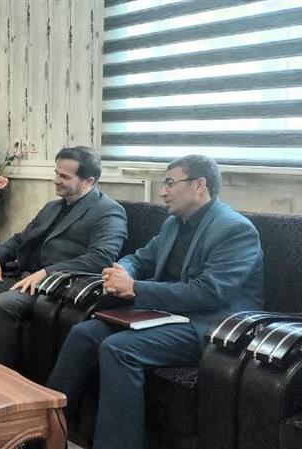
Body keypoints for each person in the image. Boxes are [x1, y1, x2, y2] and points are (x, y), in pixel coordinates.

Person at [46, 154, 264, 449]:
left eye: (170, 183)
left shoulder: (235, 229)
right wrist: (122, 271)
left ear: (199, 185)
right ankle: (45, 431)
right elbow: (140, 258)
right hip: (166, 314)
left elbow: (209, 292)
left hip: (212, 325)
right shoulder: (173, 223)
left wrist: (135, 289)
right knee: (85, 333)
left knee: (119, 348)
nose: (163, 192)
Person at [0, 146, 127, 368]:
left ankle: (0, 380)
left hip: (56, 288)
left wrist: (46, 273)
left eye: (64, 176)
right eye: (56, 173)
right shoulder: (52, 207)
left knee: (2, 305)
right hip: (23, 276)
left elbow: (100, 258)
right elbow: (21, 238)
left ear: (89, 181)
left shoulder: (108, 212)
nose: (56, 180)